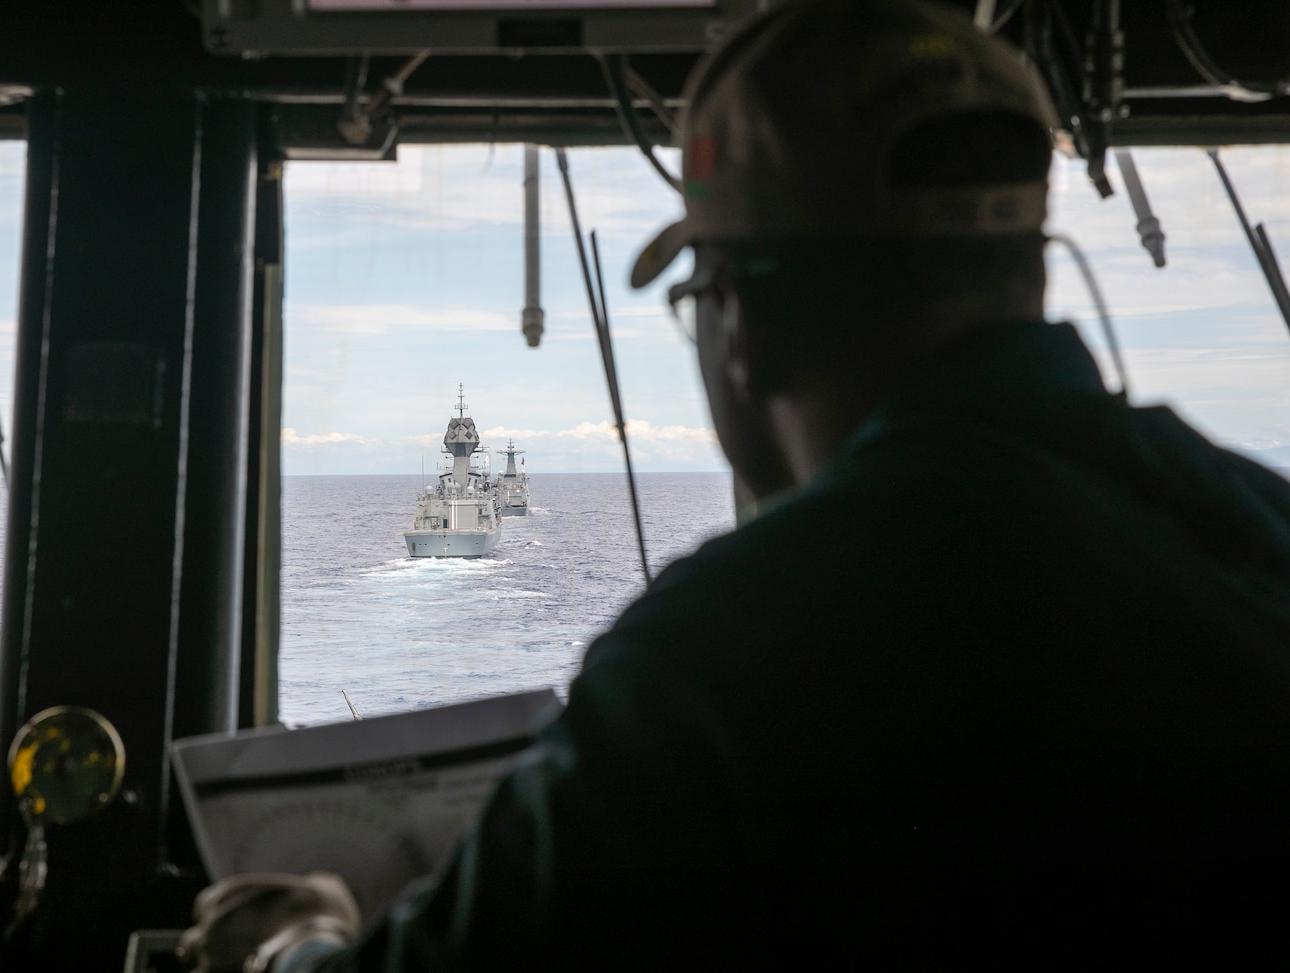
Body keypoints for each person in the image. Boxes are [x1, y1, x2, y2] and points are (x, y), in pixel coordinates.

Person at [180, 1, 1290, 969]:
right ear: (1028, 265)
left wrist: (293, 940)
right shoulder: (1257, 528)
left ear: (738, 320)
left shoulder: (730, 653)